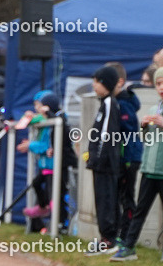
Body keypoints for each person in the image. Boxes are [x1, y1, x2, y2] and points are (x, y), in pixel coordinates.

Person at [113, 67, 163, 261]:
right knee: (140, 210)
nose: (161, 87)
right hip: (149, 169)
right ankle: (128, 247)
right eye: (158, 83)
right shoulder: (153, 109)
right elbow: (148, 140)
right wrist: (144, 127)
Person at [18, 91, 77, 232]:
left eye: (39, 106)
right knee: (37, 185)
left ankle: (59, 223)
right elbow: (24, 123)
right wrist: (29, 116)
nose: (37, 109)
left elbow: (57, 134)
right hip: (46, 164)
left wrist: (31, 145)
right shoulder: (43, 120)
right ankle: (44, 209)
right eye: (36, 106)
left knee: (56, 195)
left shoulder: (58, 118)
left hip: (57, 164)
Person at [85, 65, 122, 256]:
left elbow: (107, 135)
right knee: (102, 200)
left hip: (105, 164)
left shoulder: (109, 104)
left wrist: (98, 158)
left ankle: (109, 239)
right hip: (101, 163)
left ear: (106, 84)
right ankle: (106, 237)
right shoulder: (104, 104)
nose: (94, 85)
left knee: (106, 200)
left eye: (97, 82)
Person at [106, 62, 142, 235]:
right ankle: (120, 233)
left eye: (108, 80)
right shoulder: (113, 102)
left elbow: (127, 131)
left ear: (119, 82)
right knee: (118, 196)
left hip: (128, 158)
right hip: (120, 158)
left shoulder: (124, 104)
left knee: (126, 198)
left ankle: (127, 235)